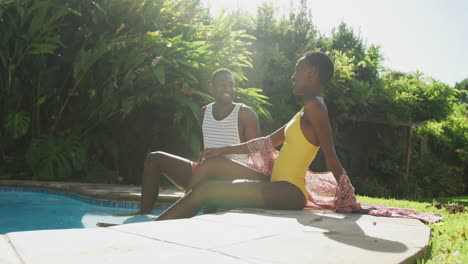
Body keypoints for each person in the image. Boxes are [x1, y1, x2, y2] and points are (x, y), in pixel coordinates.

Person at [155, 51, 346, 221]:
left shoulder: (316, 108)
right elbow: (265, 143)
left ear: (311, 72)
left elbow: (330, 155)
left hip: (291, 191)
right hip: (278, 187)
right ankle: (174, 223)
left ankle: (155, 230)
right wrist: (223, 150)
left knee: (207, 189)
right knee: (209, 187)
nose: (293, 76)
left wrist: (347, 194)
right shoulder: (304, 111)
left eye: (297, 70)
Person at [125, 68, 262, 215]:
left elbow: (257, 154)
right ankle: (142, 215)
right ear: (211, 87)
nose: (228, 88)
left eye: (231, 85)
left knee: (213, 162)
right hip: (206, 172)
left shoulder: (245, 114)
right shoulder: (204, 112)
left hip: (234, 178)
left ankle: (178, 214)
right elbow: (208, 148)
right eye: (223, 84)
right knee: (154, 158)